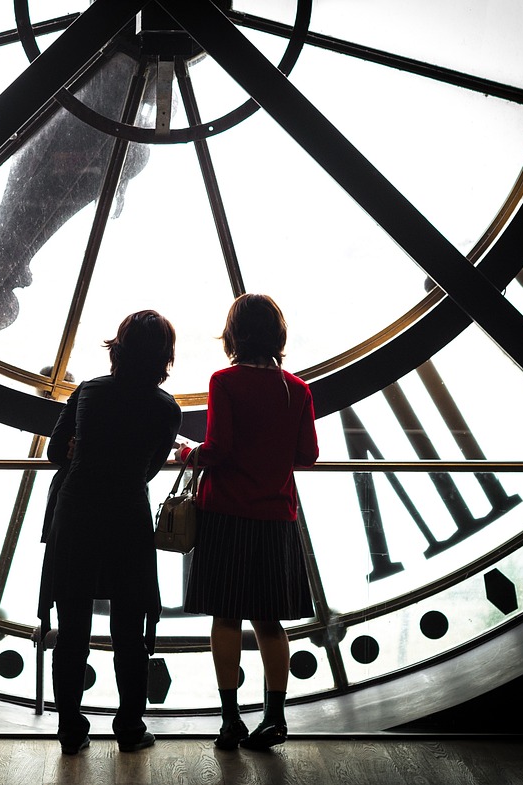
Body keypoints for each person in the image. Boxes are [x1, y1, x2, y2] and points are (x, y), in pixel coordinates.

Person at [38, 310, 182, 755]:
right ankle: (129, 727)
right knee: (130, 631)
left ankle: (69, 729)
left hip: (77, 512)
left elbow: (53, 455)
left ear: (117, 348)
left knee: (72, 628)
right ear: (163, 358)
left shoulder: (89, 392)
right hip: (127, 517)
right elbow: (150, 469)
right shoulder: (166, 409)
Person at [179, 293, 319, 752]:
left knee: (225, 618)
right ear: (278, 336)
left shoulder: (225, 381)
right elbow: (307, 456)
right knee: (270, 622)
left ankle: (230, 720)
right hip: (276, 516)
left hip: (226, 515)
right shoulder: (297, 390)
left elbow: (216, 448)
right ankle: (275, 717)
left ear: (234, 336)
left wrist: (188, 454)